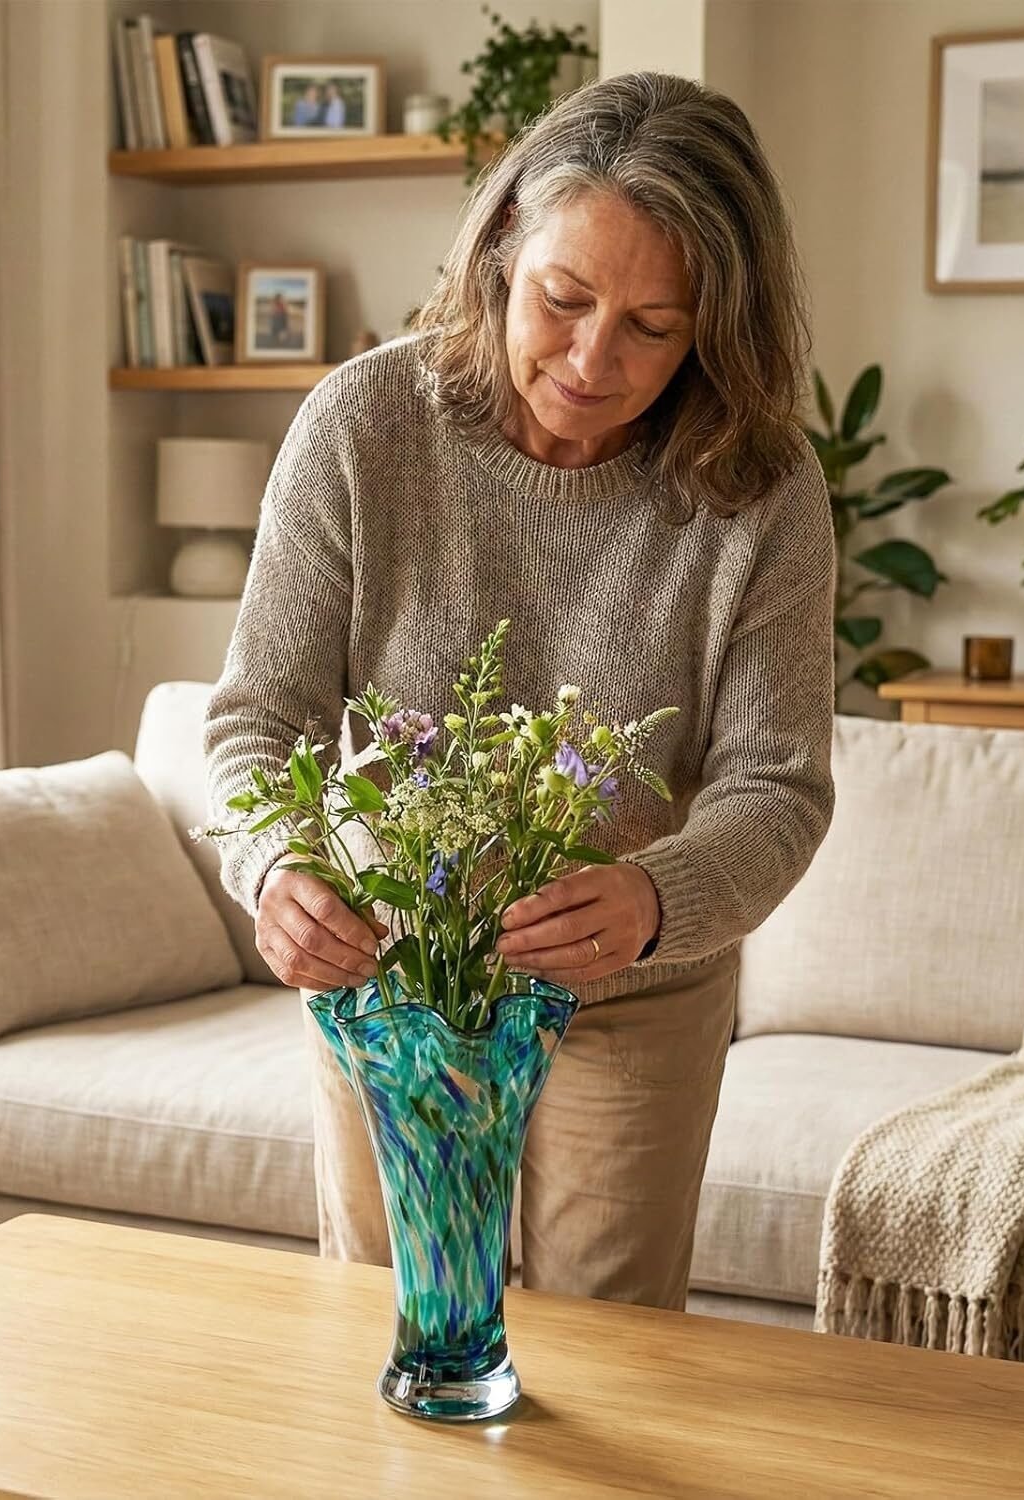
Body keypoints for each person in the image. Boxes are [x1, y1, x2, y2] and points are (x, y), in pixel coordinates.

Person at [204, 72, 836, 1311]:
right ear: (502, 250)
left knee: (609, 1355)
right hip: (394, 985)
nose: (595, 359)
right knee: (393, 1334)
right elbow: (252, 723)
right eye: (563, 299)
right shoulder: (363, 427)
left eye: (655, 327)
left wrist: (658, 899)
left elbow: (781, 786)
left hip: (631, 995)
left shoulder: (763, 487)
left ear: (718, 325)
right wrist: (276, 863)